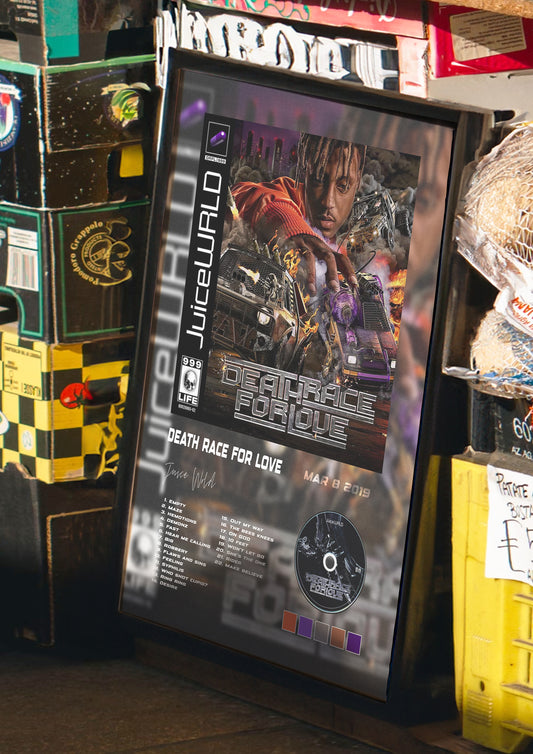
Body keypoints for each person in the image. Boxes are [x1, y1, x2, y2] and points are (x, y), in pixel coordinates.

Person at [231, 134, 366, 296]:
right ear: (304, 172)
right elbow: (243, 194)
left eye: (343, 186)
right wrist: (289, 227)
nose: (328, 202)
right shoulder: (286, 194)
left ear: (358, 181)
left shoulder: (351, 239)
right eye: (318, 180)